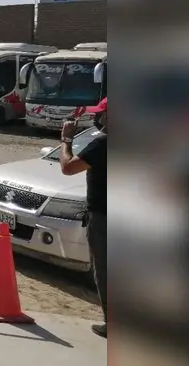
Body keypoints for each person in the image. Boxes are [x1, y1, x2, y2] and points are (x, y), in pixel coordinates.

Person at [60, 97, 107, 338]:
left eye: (101, 114)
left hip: (104, 217)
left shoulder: (101, 145)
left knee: (105, 271)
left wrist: (66, 139)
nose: (97, 118)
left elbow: (68, 167)